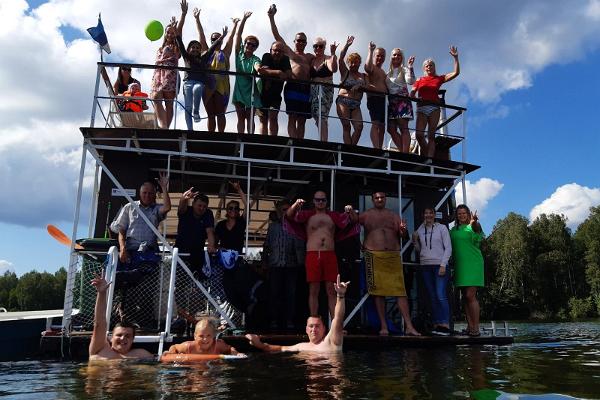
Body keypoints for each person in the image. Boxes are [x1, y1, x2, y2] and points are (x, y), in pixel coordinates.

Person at [354, 191, 420, 336]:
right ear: (372, 200)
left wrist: (402, 230)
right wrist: (359, 243)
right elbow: (353, 225)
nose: (379, 199)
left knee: (400, 292)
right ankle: (383, 326)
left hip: (393, 255)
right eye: (376, 197)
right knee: (379, 292)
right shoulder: (366, 214)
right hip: (373, 255)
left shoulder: (393, 215)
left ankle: (409, 326)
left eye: (382, 197)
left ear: (385, 199)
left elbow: (403, 234)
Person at [285, 191, 358, 319]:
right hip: (313, 254)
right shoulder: (307, 215)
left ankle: (336, 325)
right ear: (313, 201)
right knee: (314, 290)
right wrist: (296, 204)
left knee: (332, 290)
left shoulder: (333, 216)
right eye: (318, 200)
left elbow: (354, 221)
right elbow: (289, 216)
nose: (320, 202)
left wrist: (350, 210)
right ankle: (313, 322)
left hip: (329, 254)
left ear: (326, 201)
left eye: (323, 200)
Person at [245, 274, 349, 352]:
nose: (314, 329)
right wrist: (259, 344)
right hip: (311, 380)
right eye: (311, 326)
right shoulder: (301, 347)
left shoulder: (331, 341)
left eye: (317, 326)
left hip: (330, 380)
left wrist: (340, 295)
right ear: (306, 330)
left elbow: (338, 319)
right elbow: (280, 348)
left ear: (324, 329)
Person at [175, 2, 227, 130]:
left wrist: (223, 37)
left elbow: (212, 47)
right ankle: (190, 129)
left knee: (197, 89)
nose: (195, 49)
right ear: (189, 49)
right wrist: (181, 17)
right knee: (187, 107)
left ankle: (196, 111)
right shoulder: (187, 57)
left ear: (200, 50)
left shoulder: (204, 58)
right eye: (192, 47)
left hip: (199, 82)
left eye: (197, 47)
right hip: (187, 83)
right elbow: (179, 42)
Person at [267, 5, 314, 139]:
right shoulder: (290, 53)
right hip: (293, 85)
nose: (300, 42)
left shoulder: (310, 57)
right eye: (298, 40)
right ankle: (293, 141)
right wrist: (271, 17)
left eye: (303, 41)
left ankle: (300, 143)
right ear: (294, 41)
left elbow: (323, 62)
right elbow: (277, 36)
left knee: (303, 118)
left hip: (306, 88)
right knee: (292, 116)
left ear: (306, 43)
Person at [88, 272, 153, 360]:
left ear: (132, 339)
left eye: (127, 336)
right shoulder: (100, 350)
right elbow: (99, 323)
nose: (123, 338)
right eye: (119, 335)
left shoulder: (141, 354)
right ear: (111, 338)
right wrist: (102, 293)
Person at [110, 172, 171, 266]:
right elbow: (121, 230)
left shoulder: (156, 208)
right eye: (144, 193)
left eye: (150, 193)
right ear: (140, 193)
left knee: (149, 279)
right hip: (131, 251)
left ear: (155, 194)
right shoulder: (129, 207)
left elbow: (167, 207)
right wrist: (122, 249)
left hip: (150, 253)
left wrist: (164, 187)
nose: (147, 196)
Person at [409, 46, 460, 157]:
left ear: (434, 67)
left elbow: (456, 73)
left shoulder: (438, 78)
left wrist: (455, 58)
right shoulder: (420, 79)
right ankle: (427, 154)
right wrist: (411, 97)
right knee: (419, 134)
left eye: (431, 65)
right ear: (424, 68)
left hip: (434, 108)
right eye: (427, 66)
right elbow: (412, 92)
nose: (429, 67)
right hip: (421, 107)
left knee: (431, 135)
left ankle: (429, 159)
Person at [196, 11, 240, 133]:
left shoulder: (225, 52)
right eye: (214, 39)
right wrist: (197, 18)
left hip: (222, 85)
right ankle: (211, 135)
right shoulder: (205, 51)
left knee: (221, 113)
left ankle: (221, 135)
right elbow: (201, 35)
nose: (216, 40)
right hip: (207, 84)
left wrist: (235, 25)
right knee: (210, 114)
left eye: (219, 39)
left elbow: (231, 39)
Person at [263, 200, 304, 329]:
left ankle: (289, 321)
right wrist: (264, 262)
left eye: (288, 209)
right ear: (279, 212)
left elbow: (302, 246)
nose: (286, 212)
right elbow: (267, 246)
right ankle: (274, 321)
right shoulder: (273, 227)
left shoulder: (297, 226)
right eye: (283, 209)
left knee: (290, 295)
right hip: (275, 265)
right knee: (274, 294)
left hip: (292, 266)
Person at [412, 206, 452, 335]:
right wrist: (414, 241)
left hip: (439, 265)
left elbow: (448, 248)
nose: (428, 215)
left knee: (440, 295)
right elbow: (419, 249)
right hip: (425, 266)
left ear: (434, 215)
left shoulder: (442, 228)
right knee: (433, 296)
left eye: (430, 213)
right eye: (426, 213)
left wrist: (443, 265)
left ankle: (445, 323)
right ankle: (437, 323)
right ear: (423, 215)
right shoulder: (421, 229)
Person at [449, 204, 483, 337]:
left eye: (464, 213)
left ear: (468, 214)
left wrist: (474, 222)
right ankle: (470, 327)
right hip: (460, 265)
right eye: (459, 213)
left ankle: (476, 328)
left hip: (474, 264)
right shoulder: (453, 230)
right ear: (456, 216)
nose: (462, 215)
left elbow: (477, 230)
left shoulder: (473, 226)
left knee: (470, 296)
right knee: (464, 297)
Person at [150, 8, 184, 129]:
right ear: (165, 33)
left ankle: (165, 128)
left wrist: (183, 15)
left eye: (172, 32)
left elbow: (180, 34)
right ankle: (163, 126)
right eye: (168, 32)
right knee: (155, 97)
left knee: (169, 103)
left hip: (170, 75)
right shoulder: (160, 48)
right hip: (158, 75)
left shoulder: (176, 47)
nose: (170, 34)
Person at [232, 11, 262, 134]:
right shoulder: (239, 54)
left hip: (251, 90)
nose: (250, 46)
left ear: (255, 48)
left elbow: (257, 66)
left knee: (250, 117)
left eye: (253, 45)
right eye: (248, 43)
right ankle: (240, 138)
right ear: (245, 44)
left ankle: (250, 138)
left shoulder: (255, 58)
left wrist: (259, 69)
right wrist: (244, 19)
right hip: (239, 89)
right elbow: (238, 35)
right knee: (240, 117)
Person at [175, 189, 216, 276]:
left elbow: (210, 231)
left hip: (197, 254)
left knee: (197, 281)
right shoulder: (186, 211)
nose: (202, 208)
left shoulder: (208, 214)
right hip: (181, 253)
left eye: (204, 206)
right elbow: (181, 208)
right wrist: (184, 199)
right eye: (199, 205)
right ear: (193, 204)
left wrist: (211, 246)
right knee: (180, 282)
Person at [256, 41, 292, 135]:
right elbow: (263, 71)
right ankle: (263, 142)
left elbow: (288, 75)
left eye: (280, 51)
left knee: (273, 117)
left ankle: (272, 141)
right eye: (275, 50)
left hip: (276, 95)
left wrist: (270, 74)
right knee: (263, 119)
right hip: (262, 94)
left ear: (283, 52)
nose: (277, 53)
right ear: (270, 50)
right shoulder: (266, 56)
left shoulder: (285, 59)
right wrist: (279, 73)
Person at [336, 36, 366, 145]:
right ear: (348, 63)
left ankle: (350, 148)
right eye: (351, 62)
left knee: (359, 127)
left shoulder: (363, 75)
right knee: (346, 125)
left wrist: (360, 85)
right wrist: (347, 45)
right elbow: (340, 59)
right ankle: (348, 150)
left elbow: (368, 86)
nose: (353, 64)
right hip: (343, 101)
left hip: (356, 104)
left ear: (359, 63)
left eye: (356, 62)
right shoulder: (345, 72)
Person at [386, 48, 416, 153]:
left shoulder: (404, 69)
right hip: (391, 102)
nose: (396, 57)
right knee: (390, 129)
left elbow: (410, 81)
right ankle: (403, 151)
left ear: (401, 57)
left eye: (399, 55)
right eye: (394, 55)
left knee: (403, 128)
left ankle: (405, 153)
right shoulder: (388, 73)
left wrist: (410, 67)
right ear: (391, 57)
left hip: (402, 101)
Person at [310, 37, 338, 142]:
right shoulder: (312, 60)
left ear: (324, 47)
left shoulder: (328, 58)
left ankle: (324, 141)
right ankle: (322, 138)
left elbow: (334, 69)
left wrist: (333, 54)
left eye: (320, 46)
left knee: (322, 115)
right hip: (313, 91)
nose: (318, 48)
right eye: (315, 46)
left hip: (325, 89)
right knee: (317, 116)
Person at [163, 317, 240, 355]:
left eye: (208, 335)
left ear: (213, 335)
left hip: (212, 372)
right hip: (193, 371)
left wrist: (236, 353)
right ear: (195, 336)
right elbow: (174, 347)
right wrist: (171, 353)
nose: (205, 339)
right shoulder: (188, 347)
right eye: (201, 336)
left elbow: (229, 348)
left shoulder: (218, 345)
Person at [364, 42, 388, 149]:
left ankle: (380, 147)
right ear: (374, 56)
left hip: (384, 100)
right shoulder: (372, 67)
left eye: (382, 56)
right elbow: (367, 68)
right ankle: (376, 148)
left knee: (382, 127)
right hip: (374, 98)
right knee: (375, 124)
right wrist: (371, 50)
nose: (380, 57)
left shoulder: (383, 72)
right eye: (378, 55)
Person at [214, 181, 247, 254]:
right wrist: (222, 249)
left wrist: (239, 190)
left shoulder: (241, 222)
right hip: (223, 259)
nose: (233, 210)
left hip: (237, 258)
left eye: (236, 208)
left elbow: (247, 205)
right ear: (227, 210)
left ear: (238, 211)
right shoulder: (220, 225)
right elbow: (215, 243)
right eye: (231, 208)